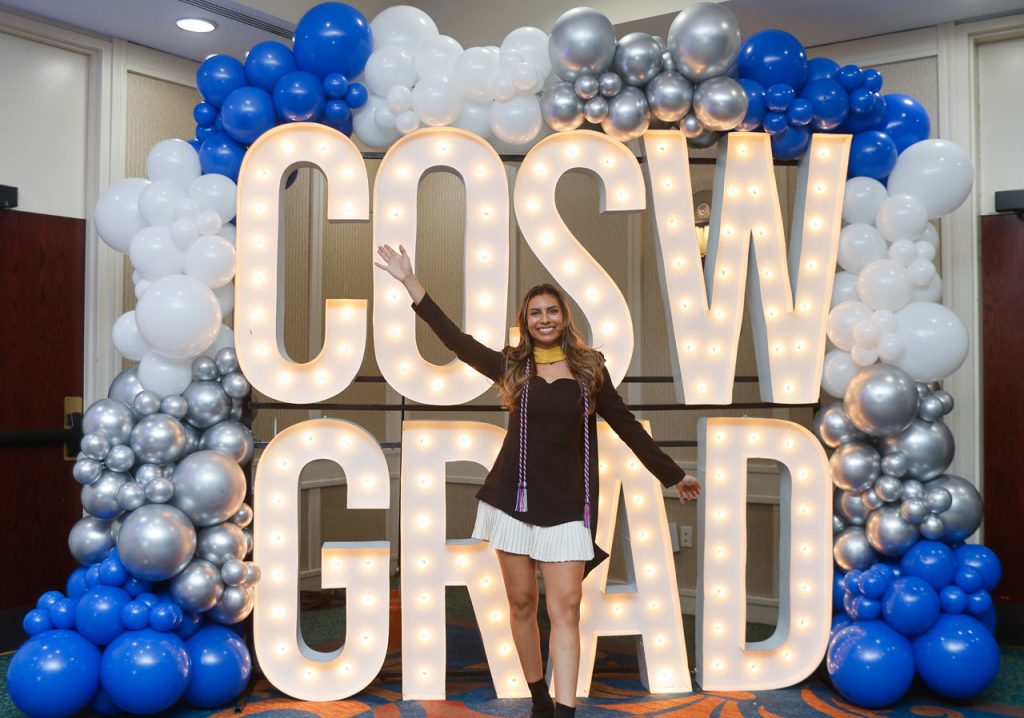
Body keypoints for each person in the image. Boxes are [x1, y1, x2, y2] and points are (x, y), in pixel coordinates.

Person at [375, 244, 701, 718]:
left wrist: (672, 475)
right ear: (525, 322)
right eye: (534, 313)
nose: (543, 319)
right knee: (523, 604)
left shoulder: (591, 371)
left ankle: (565, 713)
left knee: (566, 608)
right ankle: (541, 700)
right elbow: (456, 341)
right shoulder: (514, 367)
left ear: (564, 318)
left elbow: (627, 425)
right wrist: (411, 282)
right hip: (513, 500)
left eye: (551, 311)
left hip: (568, 505)